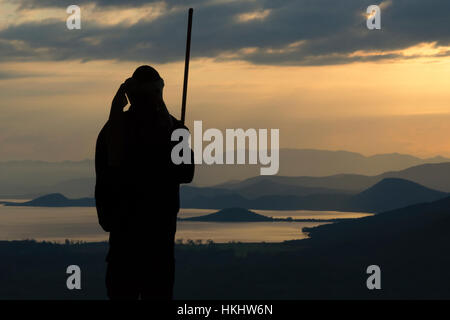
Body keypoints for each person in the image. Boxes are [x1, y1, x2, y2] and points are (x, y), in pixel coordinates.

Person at [95, 65, 195, 300]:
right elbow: (185, 174)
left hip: (124, 240)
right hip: (158, 241)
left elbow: (103, 180)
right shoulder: (173, 129)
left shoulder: (113, 130)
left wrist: (107, 218)